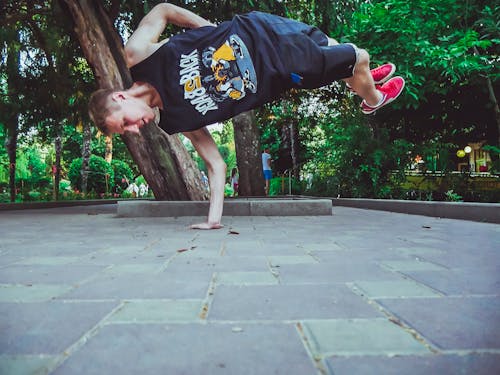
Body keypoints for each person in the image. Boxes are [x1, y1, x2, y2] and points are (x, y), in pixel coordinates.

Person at [88, 3, 405, 229]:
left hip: (260, 26)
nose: (133, 130)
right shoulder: (174, 119)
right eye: (125, 131)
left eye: (125, 123)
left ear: (120, 97)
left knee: (333, 48)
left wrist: (208, 30)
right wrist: (214, 219)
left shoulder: (139, 57)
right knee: (356, 56)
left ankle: (360, 81)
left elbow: (162, 10)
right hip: (280, 69)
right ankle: (373, 97)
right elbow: (216, 164)